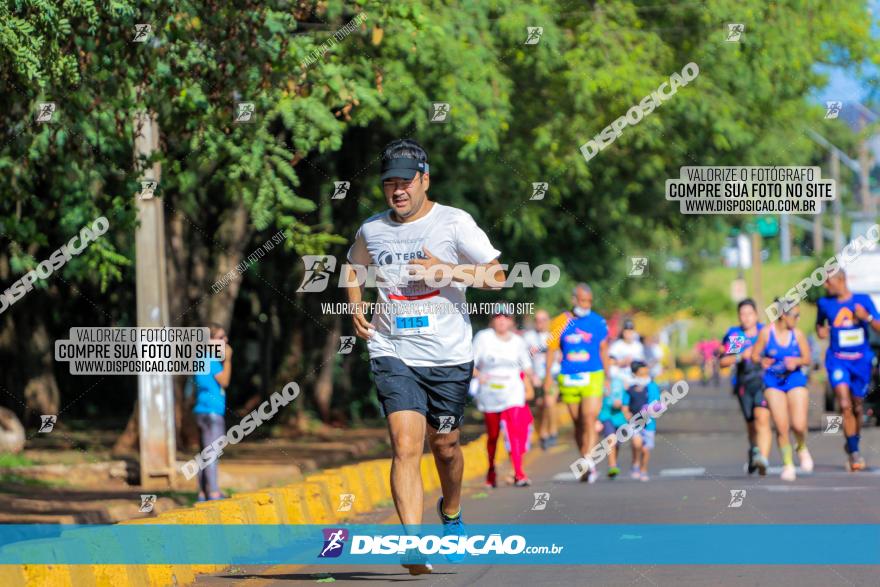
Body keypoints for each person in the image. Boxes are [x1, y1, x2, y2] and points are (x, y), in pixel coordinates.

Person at [345, 138, 505, 574]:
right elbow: (353, 266)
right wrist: (357, 306)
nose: (397, 191)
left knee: (447, 446)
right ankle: (412, 542)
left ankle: (451, 514)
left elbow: (496, 275)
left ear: (424, 180)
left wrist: (447, 270)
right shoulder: (372, 229)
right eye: (389, 184)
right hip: (392, 349)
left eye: (405, 182)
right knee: (405, 444)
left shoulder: (454, 223)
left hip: (449, 355)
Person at [544, 283, 610, 484]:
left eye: (589, 301)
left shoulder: (598, 321)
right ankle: (585, 456)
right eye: (582, 300)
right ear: (574, 300)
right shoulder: (560, 322)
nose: (586, 304)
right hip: (569, 376)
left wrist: (608, 377)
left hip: (593, 374)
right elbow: (551, 350)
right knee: (578, 422)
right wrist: (548, 377)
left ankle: (588, 461)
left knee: (589, 417)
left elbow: (604, 350)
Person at [816, 270, 880, 471]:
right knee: (844, 404)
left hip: (861, 361)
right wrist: (821, 331)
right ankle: (854, 453)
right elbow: (819, 326)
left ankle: (853, 441)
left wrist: (867, 317)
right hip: (837, 361)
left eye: (828, 281)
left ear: (841, 280)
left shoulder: (863, 300)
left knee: (857, 406)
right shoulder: (824, 304)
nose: (826, 285)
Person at [472, 306, 535, 487]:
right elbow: (471, 364)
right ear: (492, 320)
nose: (501, 320)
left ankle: (519, 472)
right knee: (493, 435)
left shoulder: (518, 341)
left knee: (514, 431)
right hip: (489, 392)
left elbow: (527, 366)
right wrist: (479, 375)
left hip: (513, 391)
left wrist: (536, 378)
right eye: (497, 316)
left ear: (511, 321)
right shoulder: (483, 338)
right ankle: (491, 471)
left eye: (505, 316)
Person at [751, 300, 813, 481]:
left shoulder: (798, 334)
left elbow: (808, 358)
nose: (798, 319)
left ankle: (801, 446)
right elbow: (755, 354)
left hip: (794, 380)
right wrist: (761, 361)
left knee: (799, 425)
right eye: (796, 315)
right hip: (773, 382)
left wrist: (797, 361)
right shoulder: (766, 333)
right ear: (783, 316)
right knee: (781, 426)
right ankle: (788, 463)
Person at [718, 298, 770, 476]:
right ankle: (754, 449)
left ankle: (763, 458)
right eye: (742, 314)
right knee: (751, 423)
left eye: (749, 314)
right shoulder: (737, 336)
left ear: (756, 315)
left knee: (761, 418)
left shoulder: (764, 332)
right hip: (743, 383)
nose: (746, 318)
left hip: (763, 381)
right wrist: (741, 356)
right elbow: (724, 361)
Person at [192, 323, 232, 501]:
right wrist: (228, 359)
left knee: (204, 453)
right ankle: (214, 492)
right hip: (213, 413)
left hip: (200, 411)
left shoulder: (198, 359)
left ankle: (202, 492)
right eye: (221, 338)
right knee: (213, 453)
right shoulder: (212, 361)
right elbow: (224, 382)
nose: (225, 341)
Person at [522, 309, 560, 450]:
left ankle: (553, 432)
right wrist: (531, 376)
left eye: (543, 319)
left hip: (552, 375)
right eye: (537, 320)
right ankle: (542, 433)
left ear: (548, 321)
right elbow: (523, 357)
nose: (540, 323)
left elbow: (562, 353)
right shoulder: (528, 337)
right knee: (540, 405)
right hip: (536, 377)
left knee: (550, 403)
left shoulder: (553, 336)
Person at [626, 360, 661, 481]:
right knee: (637, 444)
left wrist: (655, 408)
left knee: (646, 448)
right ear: (635, 374)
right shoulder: (630, 388)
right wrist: (627, 414)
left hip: (649, 423)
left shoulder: (652, 386)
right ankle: (635, 462)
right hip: (634, 422)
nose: (645, 376)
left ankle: (643, 469)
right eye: (642, 373)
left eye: (647, 373)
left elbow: (657, 403)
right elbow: (625, 405)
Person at [596, 371, 629, 479]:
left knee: (617, 443)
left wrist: (624, 408)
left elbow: (625, 397)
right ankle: (612, 466)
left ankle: (614, 460)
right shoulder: (598, 382)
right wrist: (596, 419)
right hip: (605, 415)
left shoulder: (619, 382)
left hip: (620, 417)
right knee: (610, 439)